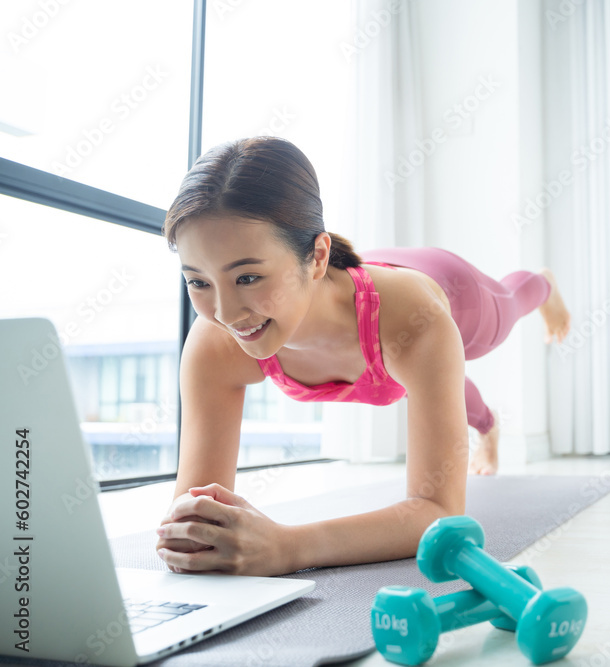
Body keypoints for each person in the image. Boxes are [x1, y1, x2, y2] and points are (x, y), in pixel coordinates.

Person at [154, 136, 571, 576]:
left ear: (316, 257)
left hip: (450, 294)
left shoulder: (416, 320)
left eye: (249, 277)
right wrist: (195, 536)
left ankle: (541, 286)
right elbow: (195, 514)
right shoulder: (215, 341)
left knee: (506, 308)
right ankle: (485, 422)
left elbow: (439, 511)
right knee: (440, 384)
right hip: (382, 330)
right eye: (198, 282)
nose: (224, 313)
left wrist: (289, 546)